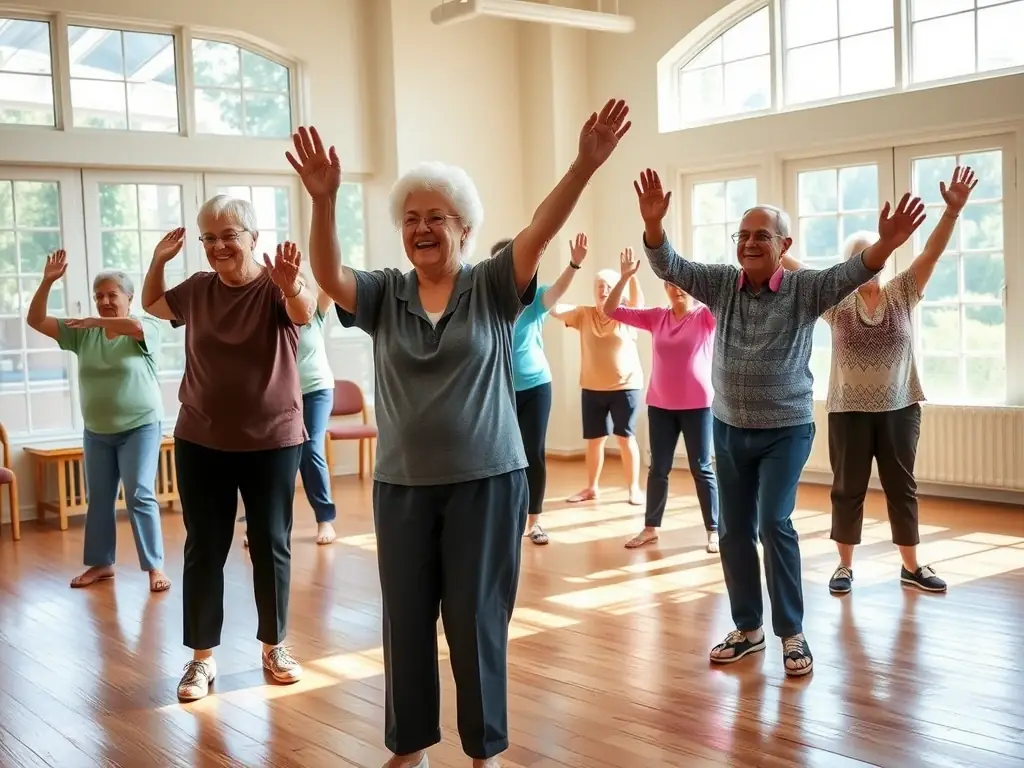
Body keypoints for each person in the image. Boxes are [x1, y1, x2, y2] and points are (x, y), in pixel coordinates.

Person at [288, 98, 630, 768]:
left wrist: (585, 165)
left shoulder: (494, 286)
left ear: (464, 229)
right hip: (403, 487)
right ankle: (411, 746)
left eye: (436, 218)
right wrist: (324, 202)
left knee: (476, 625)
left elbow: (538, 228)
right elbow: (328, 276)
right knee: (407, 624)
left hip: (486, 483)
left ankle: (485, 750)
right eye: (411, 219)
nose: (422, 228)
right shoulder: (386, 293)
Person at [635, 167, 925, 677]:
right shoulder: (722, 284)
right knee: (732, 530)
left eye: (761, 236)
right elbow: (668, 264)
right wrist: (654, 225)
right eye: (742, 236)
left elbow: (852, 272)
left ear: (783, 243)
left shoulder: (802, 290)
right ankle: (748, 630)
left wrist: (886, 243)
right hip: (727, 427)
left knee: (773, 522)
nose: (749, 244)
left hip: (785, 430)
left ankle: (791, 632)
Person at [141, 197, 317, 702]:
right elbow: (153, 305)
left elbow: (302, 311)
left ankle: (274, 646)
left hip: (272, 440)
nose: (218, 246)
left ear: (253, 237)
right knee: (204, 548)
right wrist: (158, 262)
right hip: (202, 437)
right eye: (208, 237)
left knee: (271, 544)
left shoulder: (275, 286)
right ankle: (201, 660)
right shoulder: (197, 290)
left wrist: (293, 283)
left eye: (228, 235)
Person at [824, 166, 977, 597]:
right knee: (847, 489)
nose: (868, 266)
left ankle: (911, 567)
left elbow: (932, 251)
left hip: (900, 407)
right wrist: (774, 246)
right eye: (860, 259)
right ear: (849, 266)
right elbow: (794, 270)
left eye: (874, 256)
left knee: (901, 488)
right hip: (849, 410)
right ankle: (844, 566)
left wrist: (951, 213)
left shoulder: (903, 291)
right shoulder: (835, 301)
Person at [27, 250, 169, 593]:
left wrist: (97, 321)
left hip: (141, 426)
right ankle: (101, 564)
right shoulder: (83, 333)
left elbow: (133, 327)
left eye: (112, 295)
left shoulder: (145, 325)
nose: (104, 301)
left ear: (129, 298)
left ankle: (154, 567)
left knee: (140, 494)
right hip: (98, 431)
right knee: (100, 497)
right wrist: (47, 282)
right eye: (99, 296)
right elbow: (35, 320)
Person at [600, 248, 719, 553]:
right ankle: (651, 527)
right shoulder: (656, 317)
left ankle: (714, 529)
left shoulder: (705, 316)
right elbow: (611, 310)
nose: (675, 288)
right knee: (659, 468)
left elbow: (728, 301)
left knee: (701, 467)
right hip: (661, 406)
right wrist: (625, 277)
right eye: (669, 284)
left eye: (680, 283)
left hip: (697, 406)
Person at [494, 231, 589, 546]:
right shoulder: (487, 303)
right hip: (500, 389)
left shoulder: (534, 300)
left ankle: (534, 521)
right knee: (504, 456)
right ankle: (507, 516)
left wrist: (574, 264)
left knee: (532, 452)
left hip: (535, 386)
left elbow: (558, 291)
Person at [242, 286, 338, 549]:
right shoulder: (272, 320)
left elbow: (330, 279)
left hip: (317, 390)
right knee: (271, 458)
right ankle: (260, 525)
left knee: (310, 449)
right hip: (282, 394)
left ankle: (324, 519)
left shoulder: (314, 313)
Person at [551, 248, 645, 506]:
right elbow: (553, 308)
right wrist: (570, 268)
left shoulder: (626, 315)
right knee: (594, 441)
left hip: (625, 386)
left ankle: (634, 488)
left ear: (618, 290)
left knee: (625, 438)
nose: (603, 289)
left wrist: (629, 276)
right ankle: (591, 487)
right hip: (592, 388)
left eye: (608, 286)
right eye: (599, 286)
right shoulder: (584, 313)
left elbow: (639, 304)